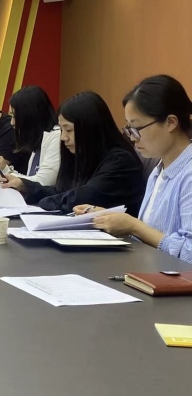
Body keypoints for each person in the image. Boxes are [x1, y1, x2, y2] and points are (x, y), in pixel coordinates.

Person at [74, 75, 192, 263]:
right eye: (129, 129)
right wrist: (111, 218)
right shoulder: (159, 169)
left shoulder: (188, 173)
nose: (132, 137)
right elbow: (151, 235)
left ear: (171, 122)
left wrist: (133, 226)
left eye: (137, 128)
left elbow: (189, 253)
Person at [0, 91, 145, 215]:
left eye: (68, 130)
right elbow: (62, 191)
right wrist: (24, 186)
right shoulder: (83, 155)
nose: (63, 137)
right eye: (62, 129)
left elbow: (79, 198)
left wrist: (44, 202)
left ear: (90, 129)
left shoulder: (120, 161)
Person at [0, 86, 61, 186]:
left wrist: (7, 172)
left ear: (30, 116)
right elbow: (31, 181)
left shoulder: (56, 137)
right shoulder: (39, 140)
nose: (12, 122)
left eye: (15, 116)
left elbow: (42, 183)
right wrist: (5, 169)